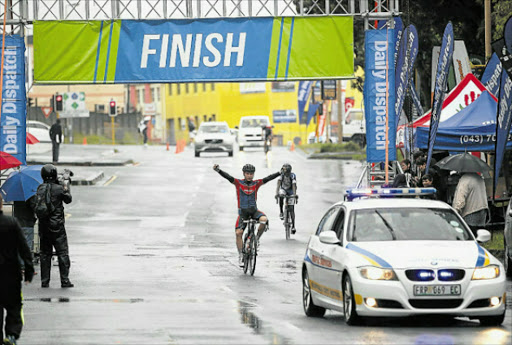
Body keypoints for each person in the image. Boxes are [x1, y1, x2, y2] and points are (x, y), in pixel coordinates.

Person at [213, 164, 280, 267]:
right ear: (244, 174)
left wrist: (279, 173)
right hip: (243, 214)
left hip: (254, 212)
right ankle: (240, 255)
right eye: (247, 174)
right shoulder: (238, 183)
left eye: (251, 174)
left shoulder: (256, 183)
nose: (249, 176)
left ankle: (256, 239)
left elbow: (268, 178)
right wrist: (218, 170)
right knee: (238, 233)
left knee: (264, 220)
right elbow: (228, 177)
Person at [0, 195, 34, 345]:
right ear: (1, 204)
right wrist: (28, 269)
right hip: (10, 274)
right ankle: (12, 335)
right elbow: (23, 248)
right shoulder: (11, 223)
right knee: (14, 306)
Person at [36, 164, 74, 288]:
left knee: (45, 254)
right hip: (57, 226)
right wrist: (65, 185)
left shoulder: (40, 188)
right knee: (62, 253)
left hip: (44, 226)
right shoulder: (59, 188)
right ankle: (64, 280)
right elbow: (68, 199)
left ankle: (45, 281)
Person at [13, 195, 37, 268]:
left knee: (19, 245)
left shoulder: (16, 196)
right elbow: (34, 208)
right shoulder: (30, 196)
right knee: (27, 246)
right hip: (28, 223)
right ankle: (26, 266)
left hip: (18, 223)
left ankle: (19, 265)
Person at [276, 163, 298, 234]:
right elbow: (278, 185)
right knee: (281, 195)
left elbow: (294, 185)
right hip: (284, 189)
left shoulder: (292, 176)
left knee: (291, 208)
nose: (286, 174)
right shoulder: (281, 175)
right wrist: (277, 194)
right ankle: (281, 212)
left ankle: (293, 226)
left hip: (291, 191)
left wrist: (294, 195)